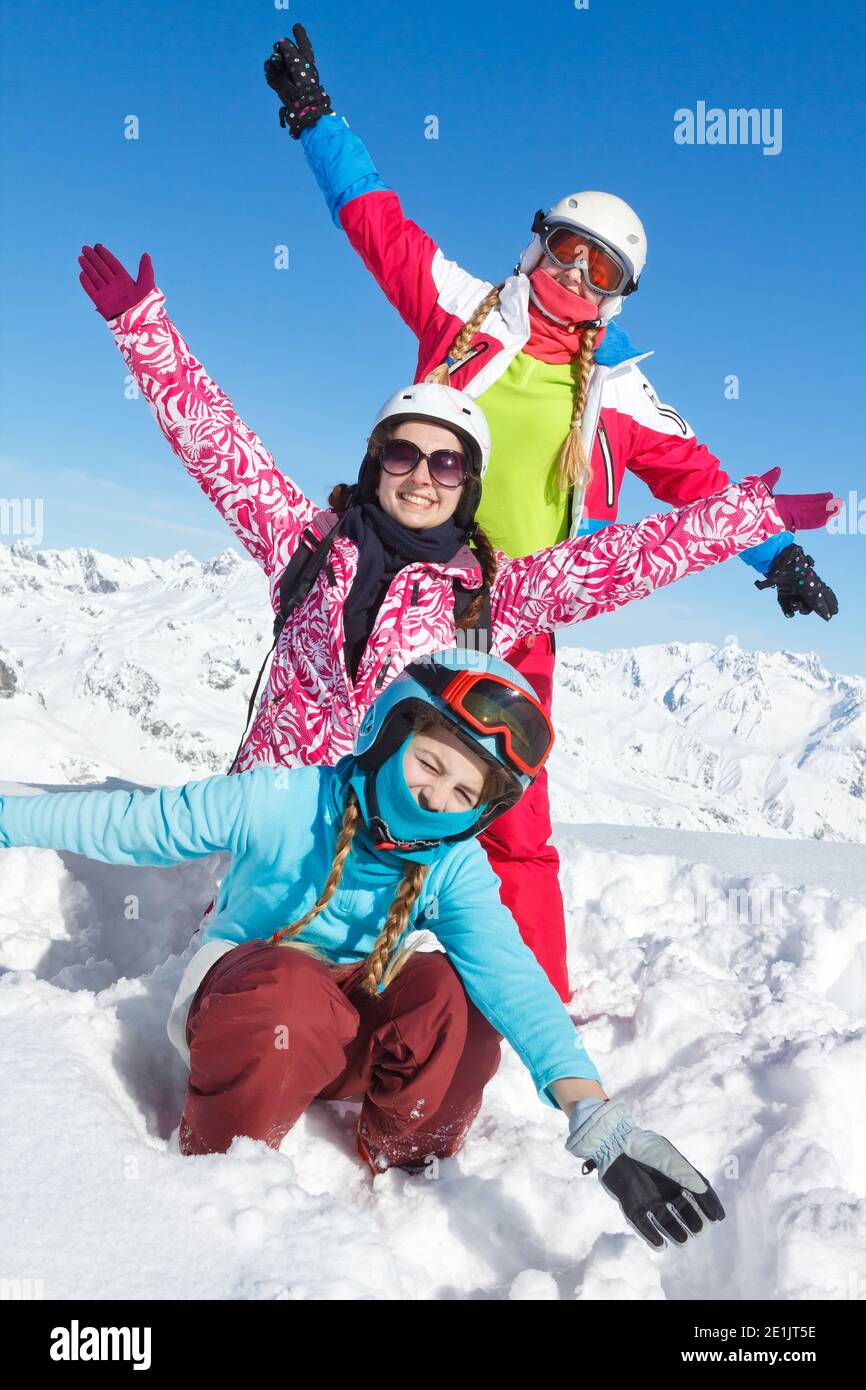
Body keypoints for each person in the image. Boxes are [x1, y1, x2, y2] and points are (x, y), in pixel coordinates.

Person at [79, 241, 839, 995]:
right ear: (376, 462)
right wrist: (143, 329)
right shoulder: (303, 542)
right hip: (267, 862)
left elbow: (618, 560)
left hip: (381, 889)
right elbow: (219, 446)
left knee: (406, 1034)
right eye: (403, 455)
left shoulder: (485, 598)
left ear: (468, 486)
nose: (421, 477)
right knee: (249, 1022)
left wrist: (749, 520)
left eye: (446, 464)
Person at [262, 23, 841, 994]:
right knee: (346, 780)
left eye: (600, 271)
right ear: (537, 243)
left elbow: (699, 481)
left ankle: (535, 1005)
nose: (574, 279)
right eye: (568, 252)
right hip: (402, 592)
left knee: (514, 822)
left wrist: (775, 554)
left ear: (617, 297)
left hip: (516, 624)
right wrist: (317, 118)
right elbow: (372, 219)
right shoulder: (463, 311)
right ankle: (284, 959)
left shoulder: (618, 395)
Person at [0, 648, 726, 1251]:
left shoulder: (452, 863)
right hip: (249, 1018)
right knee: (289, 990)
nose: (439, 796)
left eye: (465, 790)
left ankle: (406, 1161)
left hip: (342, 1032)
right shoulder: (285, 799)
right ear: (386, 735)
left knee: (457, 999)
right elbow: (136, 823)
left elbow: (512, 978)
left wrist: (594, 1113)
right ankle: (221, 1166)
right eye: (430, 764)